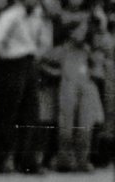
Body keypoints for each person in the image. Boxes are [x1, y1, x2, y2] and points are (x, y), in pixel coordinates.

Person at [0, 0, 47, 173]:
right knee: (7, 112)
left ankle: (27, 160)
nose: (36, 0)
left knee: (30, 112)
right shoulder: (11, 15)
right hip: (12, 63)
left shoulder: (36, 16)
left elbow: (41, 41)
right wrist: (6, 59)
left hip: (28, 62)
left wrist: (35, 55)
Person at [42, 16, 104, 172]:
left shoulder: (86, 50)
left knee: (85, 125)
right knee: (66, 125)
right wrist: (56, 73)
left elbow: (96, 65)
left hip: (84, 87)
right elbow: (42, 61)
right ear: (71, 32)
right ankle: (64, 160)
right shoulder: (62, 50)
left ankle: (82, 160)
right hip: (68, 87)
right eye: (80, 30)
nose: (83, 33)